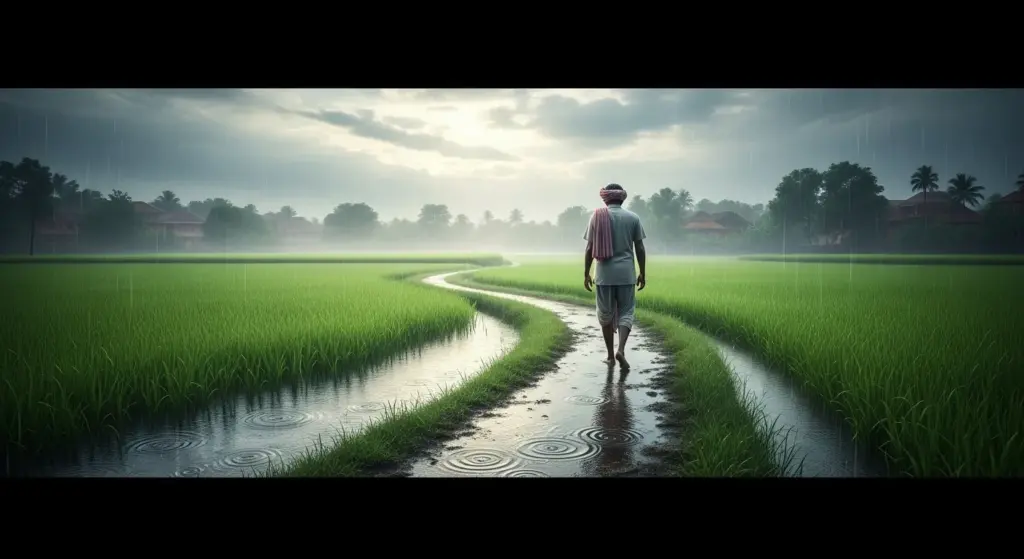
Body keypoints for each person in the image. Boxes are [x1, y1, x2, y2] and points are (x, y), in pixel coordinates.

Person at [583, 183, 646, 369]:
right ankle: (621, 350)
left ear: (605, 198)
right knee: (627, 311)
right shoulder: (633, 218)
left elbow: (589, 248)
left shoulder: (596, 216)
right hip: (626, 274)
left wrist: (586, 273)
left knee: (605, 314)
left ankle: (610, 356)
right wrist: (642, 272)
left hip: (603, 274)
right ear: (622, 197)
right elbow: (640, 248)